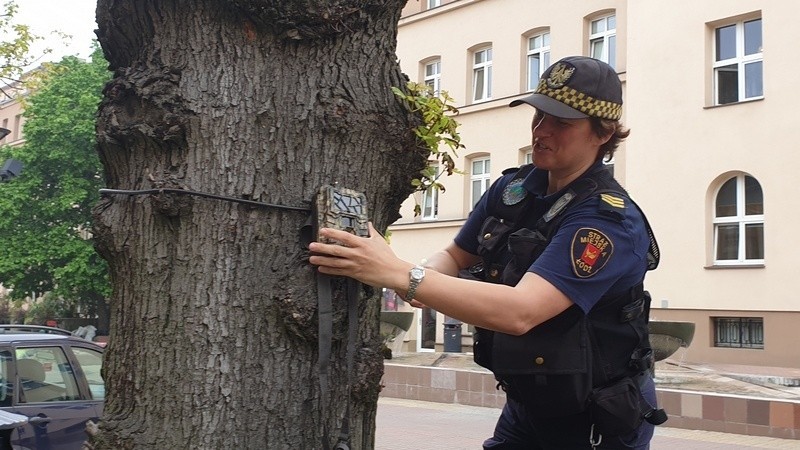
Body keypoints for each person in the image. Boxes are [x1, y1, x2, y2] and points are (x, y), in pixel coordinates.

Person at [309, 56, 663, 449]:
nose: (542, 131)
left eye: (561, 123)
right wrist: (407, 274)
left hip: (598, 417)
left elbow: (520, 312)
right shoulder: (514, 190)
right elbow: (457, 256)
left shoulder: (604, 220)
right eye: (539, 116)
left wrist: (399, 274)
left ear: (602, 133)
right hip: (531, 400)